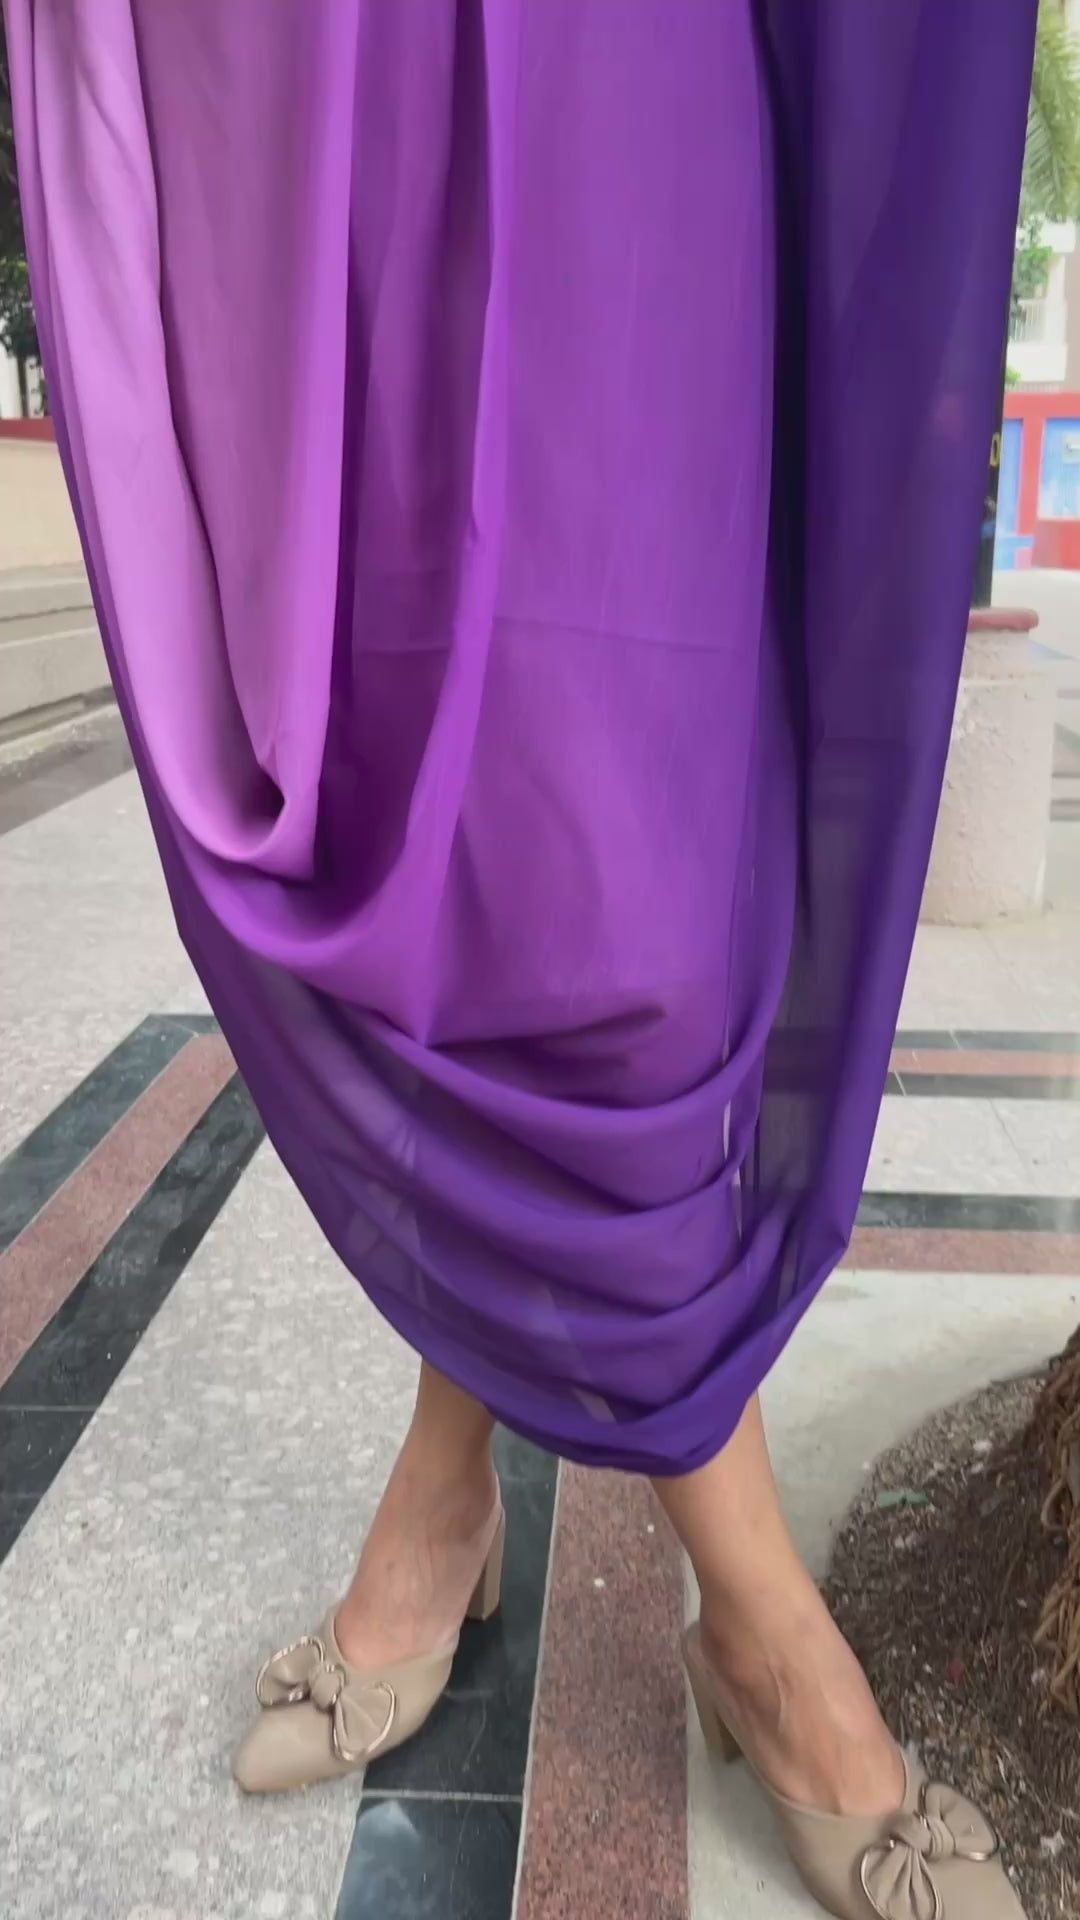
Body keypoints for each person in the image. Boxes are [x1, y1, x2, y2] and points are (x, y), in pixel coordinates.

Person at [5, 2, 1036, 1913]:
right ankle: (546, 1535)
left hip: (632, 67)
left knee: (618, 875)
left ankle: (703, 1595)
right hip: (329, 74)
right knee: (437, 827)